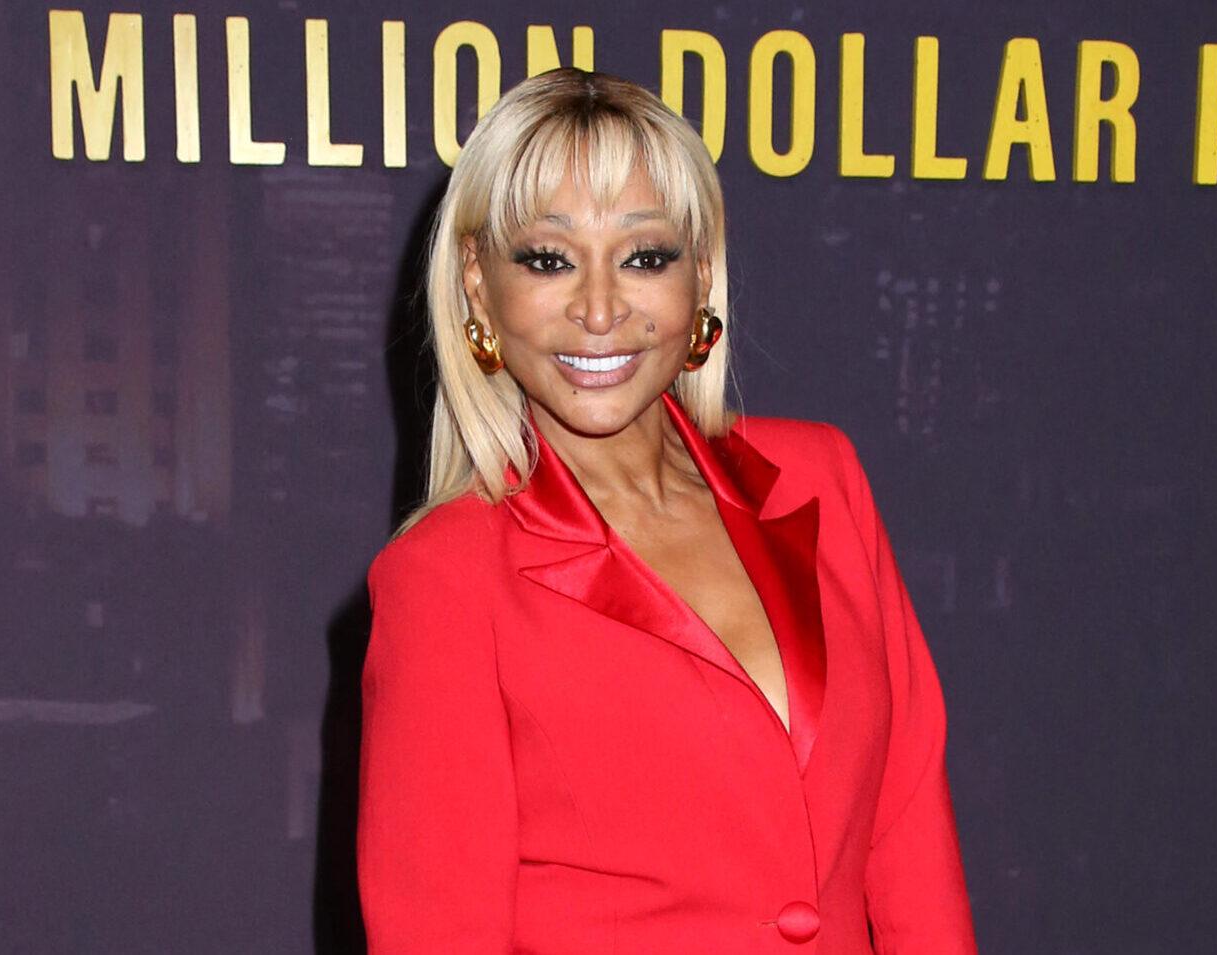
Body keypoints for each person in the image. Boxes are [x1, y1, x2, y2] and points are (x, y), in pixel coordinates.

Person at [357, 66, 978, 953]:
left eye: (645, 256)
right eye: (547, 258)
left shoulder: (820, 477)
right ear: (476, 286)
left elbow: (909, 836)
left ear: (701, 278)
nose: (600, 308)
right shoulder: (444, 578)